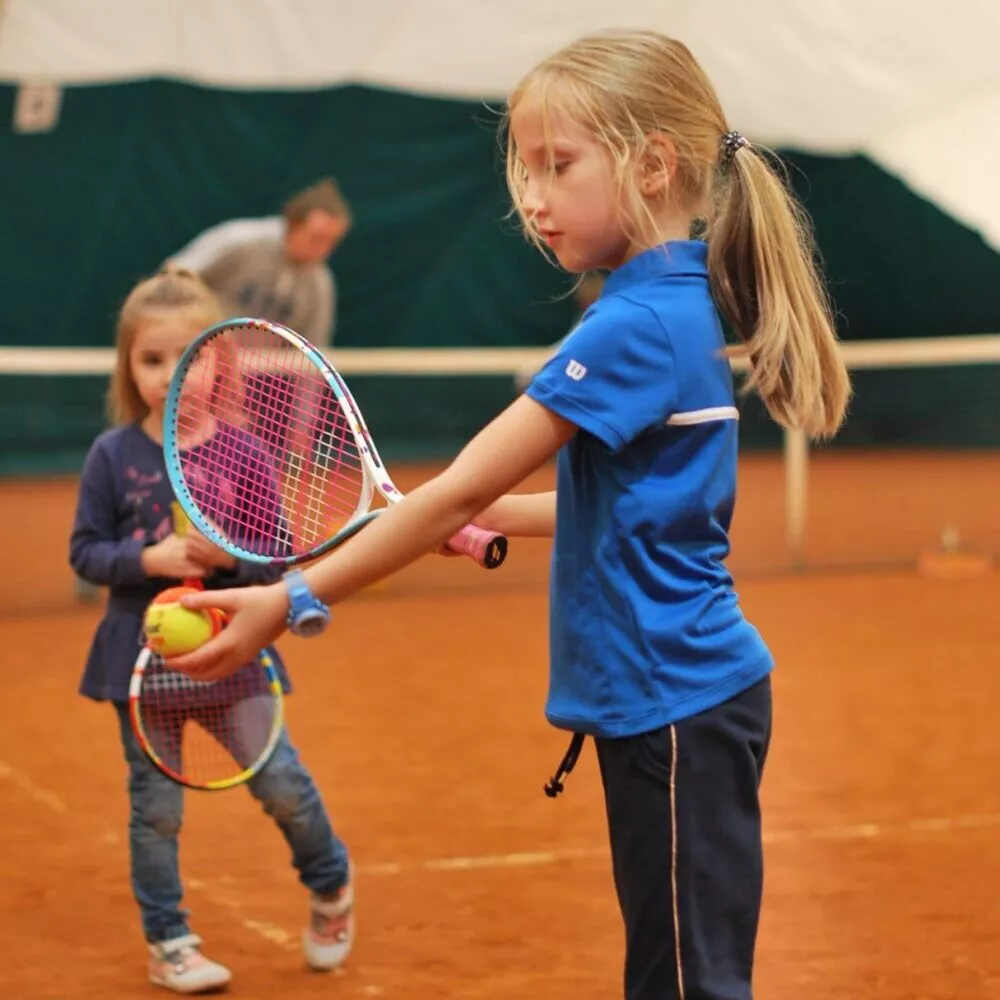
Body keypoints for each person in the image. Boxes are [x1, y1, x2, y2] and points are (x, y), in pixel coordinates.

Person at [171, 30, 851, 1000]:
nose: (531, 197)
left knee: (685, 985)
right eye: (522, 169)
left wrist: (290, 599)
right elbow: (617, 507)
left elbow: (449, 486)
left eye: (556, 164)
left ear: (653, 163)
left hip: (671, 703)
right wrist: (487, 513)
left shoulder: (628, 323)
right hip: (689, 698)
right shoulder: (681, 299)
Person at [69, 267, 355, 994]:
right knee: (154, 813)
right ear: (127, 365)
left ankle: (331, 888)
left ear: (218, 361)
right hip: (143, 665)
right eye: (152, 359)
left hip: (234, 660)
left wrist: (234, 556)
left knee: (284, 784)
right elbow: (86, 553)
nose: (171, 376)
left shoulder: (244, 452)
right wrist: (148, 558)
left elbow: (280, 559)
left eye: (189, 358)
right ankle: (170, 944)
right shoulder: (111, 456)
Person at [169, 178, 352, 347]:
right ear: (292, 225)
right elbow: (172, 275)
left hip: (255, 376)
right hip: (198, 356)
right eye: (317, 238)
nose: (324, 250)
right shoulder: (239, 242)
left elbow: (314, 352)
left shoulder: (320, 282)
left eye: (332, 242)